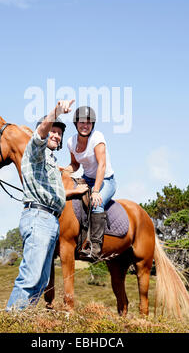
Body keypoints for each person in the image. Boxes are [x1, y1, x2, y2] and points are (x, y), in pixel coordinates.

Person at [6, 99, 74, 311]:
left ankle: (23, 319)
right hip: (38, 218)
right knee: (30, 277)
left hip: (50, 219)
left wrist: (74, 191)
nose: (56, 135)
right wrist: (55, 112)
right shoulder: (35, 151)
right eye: (52, 131)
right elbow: (40, 135)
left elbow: (52, 193)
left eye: (59, 133)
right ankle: (11, 320)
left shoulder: (51, 161)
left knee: (41, 282)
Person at [64, 106, 116, 261]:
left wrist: (96, 191)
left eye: (88, 122)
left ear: (92, 124)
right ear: (76, 123)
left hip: (106, 180)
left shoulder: (97, 137)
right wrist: (64, 170)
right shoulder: (70, 142)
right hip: (87, 178)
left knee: (97, 203)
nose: (85, 126)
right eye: (81, 122)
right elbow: (75, 165)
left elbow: (102, 165)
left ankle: (95, 247)